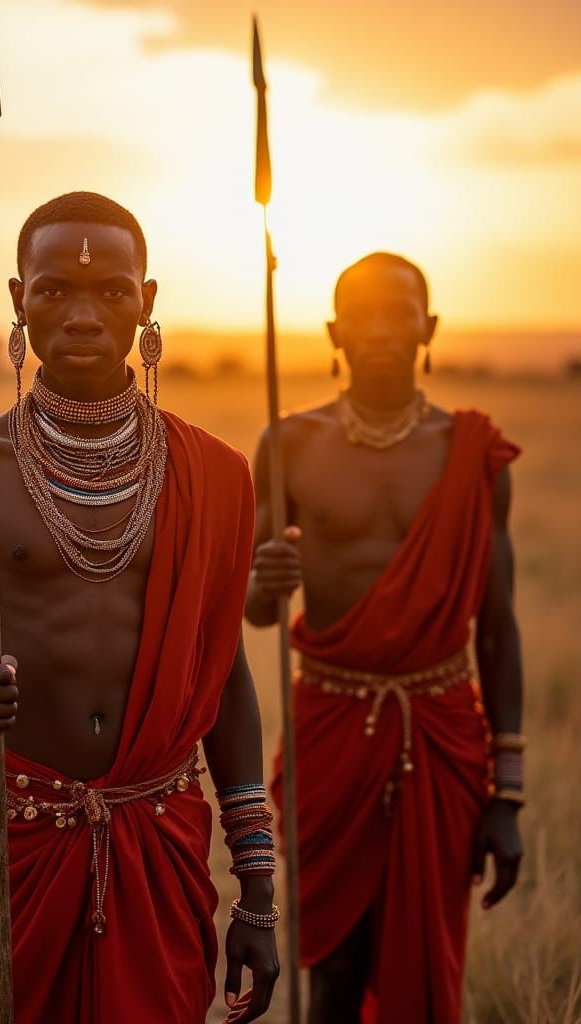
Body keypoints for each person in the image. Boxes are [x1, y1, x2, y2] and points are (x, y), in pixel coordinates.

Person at [0, 191, 278, 1024]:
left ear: (147, 302)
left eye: (110, 292)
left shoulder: (212, 473)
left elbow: (225, 677)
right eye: (54, 290)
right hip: (14, 831)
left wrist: (256, 885)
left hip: (158, 833)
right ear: (16, 301)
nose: (80, 315)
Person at [246, 252, 524, 1024]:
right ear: (334, 331)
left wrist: (510, 791)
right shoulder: (289, 443)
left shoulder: (470, 454)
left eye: (397, 312)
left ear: (426, 328)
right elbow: (260, 614)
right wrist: (263, 585)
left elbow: (498, 629)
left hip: (440, 735)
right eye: (358, 314)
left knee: (423, 959)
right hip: (329, 734)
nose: (377, 330)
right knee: (330, 966)